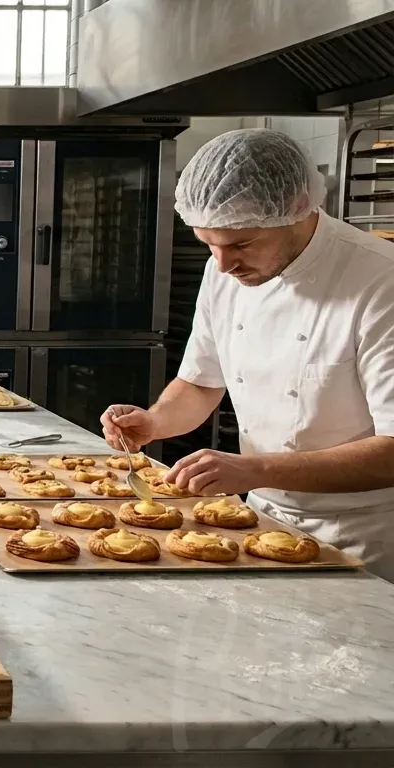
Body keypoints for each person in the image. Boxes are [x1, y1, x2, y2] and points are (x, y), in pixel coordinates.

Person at [102, 128, 394, 580]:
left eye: (241, 244)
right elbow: (200, 382)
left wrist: (255, 468)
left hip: (363, 533)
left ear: (298, 207)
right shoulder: (223, 272)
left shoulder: (380, 282)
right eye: (209, 244)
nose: (223, 264)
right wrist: (155, 422)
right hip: (260, 518)